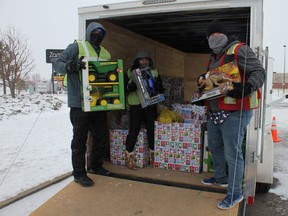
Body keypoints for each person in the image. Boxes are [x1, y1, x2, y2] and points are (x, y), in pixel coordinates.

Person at [200, 20, 266, 209]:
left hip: (236, 111)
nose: (213, 39)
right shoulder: (213, 57)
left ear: (224, 35)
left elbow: (258, 71)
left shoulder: (239, 50)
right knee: (214, 145)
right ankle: (221, 177)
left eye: (216, 35)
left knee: (232, 153)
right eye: (209, 37)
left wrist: (248, 87)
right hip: (215, 112)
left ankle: (235, 193)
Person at [54, 22, 111, 187]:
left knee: (101, 136)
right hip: (80, 104)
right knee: (79, 140)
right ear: (88, 32)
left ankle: (96, 166)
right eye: (95, 32)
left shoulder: (106, 52)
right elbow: (57, 64)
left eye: (101, 33)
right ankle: (79, 173)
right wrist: (70, 65)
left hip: (99, 103)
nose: (98, 35)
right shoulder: (76, 47)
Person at [125, 50, 164, 170]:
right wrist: (129, 87)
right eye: (141, 59)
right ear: (137, 61)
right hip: (136, 104)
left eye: (146, 59)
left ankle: (153, 156)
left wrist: (158, 87)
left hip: (150, 104)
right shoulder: (130, 72)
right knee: (134, 131)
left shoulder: (154, 71)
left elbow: (161, 88)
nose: (144, 61)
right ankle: (129, 156)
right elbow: (124, 88)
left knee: (151, 130)